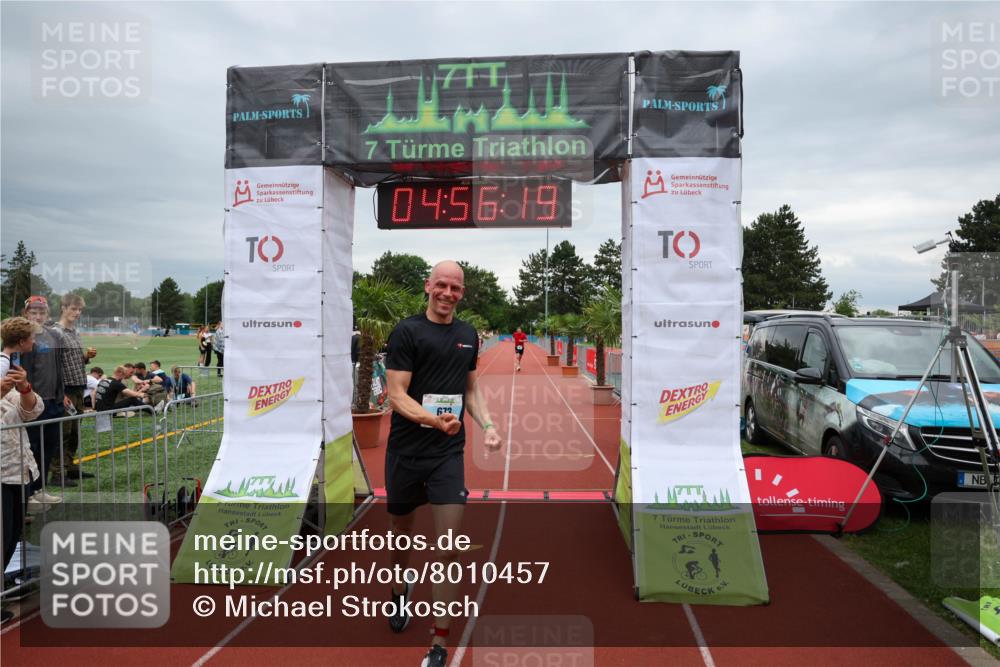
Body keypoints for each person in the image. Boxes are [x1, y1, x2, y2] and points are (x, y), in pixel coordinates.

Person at [383, 260, 502, 667]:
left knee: (448, 547)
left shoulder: (468, 336)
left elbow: (471, 390)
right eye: (442, 285)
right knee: (401, 533)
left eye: (456, 288)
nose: (448, 293)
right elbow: (396, 394)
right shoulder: (407, 331)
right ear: (428, 286)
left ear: (462, 293)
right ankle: (399, 590)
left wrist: (488, 425)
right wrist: (434, 420)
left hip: (447, 454)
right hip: (405, 452)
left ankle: (439, 643)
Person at [0, 346, 45, 625]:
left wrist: (24, 386)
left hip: (18, 470)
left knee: (12, 532)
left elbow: (33, 411)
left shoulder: (10, 390)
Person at [18, 297, 66, 503]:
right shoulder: (20, 336)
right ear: (25, 313)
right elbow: (18, 372)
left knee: (47, 449)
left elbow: (58, 367)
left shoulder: (53, 335)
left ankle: (39, 489)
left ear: (48, 314)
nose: (38, 316)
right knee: (30, 449)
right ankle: (26, 495)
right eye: (33, 312)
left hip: (53, 402)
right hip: (33, 404)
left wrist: (62, 395)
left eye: (42, 312)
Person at [51, 293, 97, 485]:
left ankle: (69, 467)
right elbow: (52, 366)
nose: (77, 313)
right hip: (66, 390)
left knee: (75, 433)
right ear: (63, 308)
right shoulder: (55, 333)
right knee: (63, 433)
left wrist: (86, 357)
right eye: (73, 309)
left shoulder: (74, 332)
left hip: (78, 388)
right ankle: (57, 473)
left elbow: (72, 361)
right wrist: (60, 393)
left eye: (80, 310)